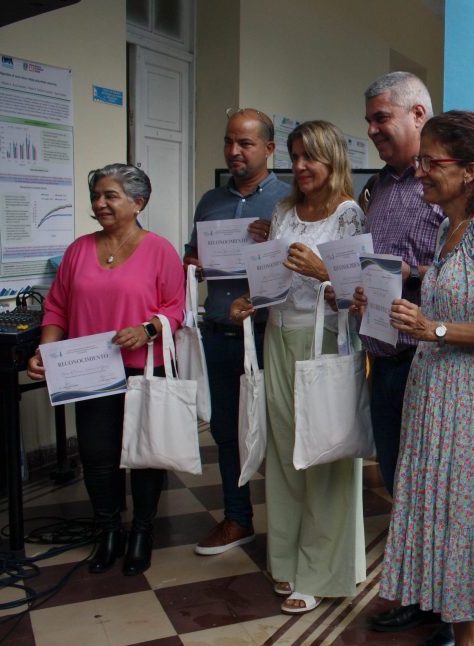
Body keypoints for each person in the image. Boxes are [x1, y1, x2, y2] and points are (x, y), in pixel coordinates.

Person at [358, 110, 474, 646]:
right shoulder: (447, 228)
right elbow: (449, 303)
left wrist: (433, 329)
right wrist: (385, 305)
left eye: (432, 162)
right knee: (451, 539)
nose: (421, 172)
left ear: (470, 170)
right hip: (435, 399)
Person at [229, 120, 366, 615]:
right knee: (286, 451)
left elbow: (358, 291)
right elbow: (271, 276)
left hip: (325, 340)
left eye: (311, 157)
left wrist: (324, 272)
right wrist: (250, 298)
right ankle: (285, 559)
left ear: (332, 159)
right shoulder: (282, 209)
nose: (301, 167)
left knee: (324, 453)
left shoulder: (349, 214)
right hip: (277, 335)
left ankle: (321, 571)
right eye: (295, 157)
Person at [27, 164, 185, 576]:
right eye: (97, 195)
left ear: (138, 203)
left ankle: (142, 533)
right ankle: (109, 531)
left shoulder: (160, 250)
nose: (100, 204)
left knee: (145, 457)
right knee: (97, 457)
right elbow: (56, 306)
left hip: (143, 368)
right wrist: (45, 351)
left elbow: (176, 308)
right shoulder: (79, 250)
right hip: (89, 371)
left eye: (110, 196)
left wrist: (146, 329)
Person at [354, 71, 449, 640]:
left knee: (431, 486)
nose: (371, 130)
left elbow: (467, 269)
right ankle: (418, 594)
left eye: (380, 117)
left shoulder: (446, 184)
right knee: (398, 482)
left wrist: (404, 274)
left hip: (427, 362)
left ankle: (445, 606)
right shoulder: (378, 187)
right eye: (369, 119)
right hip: (382, 359)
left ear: (418, 116)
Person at [184, 108, 290, 556]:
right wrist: (196, 264)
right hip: (219, 333)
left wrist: (273, 245)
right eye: (229, 142)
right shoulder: (210, 200)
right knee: (227, 431)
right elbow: (191, 259)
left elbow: (304, 269)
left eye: (245, 143)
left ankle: (287, 530)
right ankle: (237, 519)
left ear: (269, 148)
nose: (234, 152)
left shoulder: (287, 201)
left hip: (270, 336)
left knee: (282, 432)